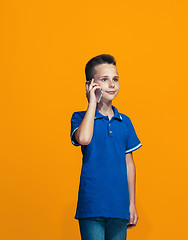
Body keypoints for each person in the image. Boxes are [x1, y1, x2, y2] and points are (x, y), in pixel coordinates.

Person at [70, 54, 142, 240]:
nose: (112, 84)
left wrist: (131, 203)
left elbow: (129, 164)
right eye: (104, 79)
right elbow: (84, 139)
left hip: (119, 205)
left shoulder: (124, 122)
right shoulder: (79, 117)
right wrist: (92, 102)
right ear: (90, 84)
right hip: (91, 204)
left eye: (115, 79)